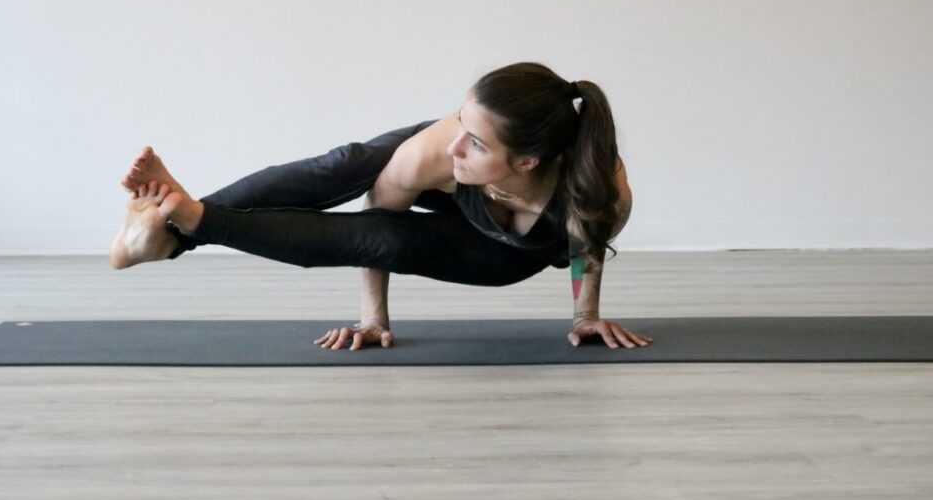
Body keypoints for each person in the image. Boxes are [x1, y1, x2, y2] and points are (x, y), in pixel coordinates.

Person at [110, 62, 652, 352]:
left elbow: (586, 244)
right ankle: (174, 227)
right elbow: (377, 218)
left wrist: (586, 316)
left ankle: (182, 221)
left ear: (530, 162)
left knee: (394, 242)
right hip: (440, 189)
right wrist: (373, 318)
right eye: (462, 125)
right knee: (348, 164)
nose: (455, 146)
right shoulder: (435, 151)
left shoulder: (602, 192)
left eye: (478, 144)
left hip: (501, 254)